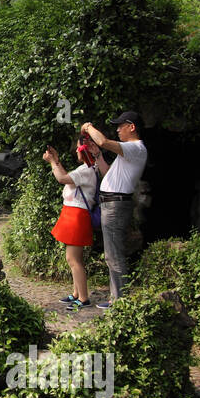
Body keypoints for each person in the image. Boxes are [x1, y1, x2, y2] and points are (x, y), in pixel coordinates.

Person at [81, 110, 148, 306]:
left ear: (132, 127)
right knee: (112, 252)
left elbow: (102, 141)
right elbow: (108, 173)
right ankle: (117, 298)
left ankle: (120, 302)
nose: (117, 129)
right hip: (112, 203)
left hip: (116, 205)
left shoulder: (136, 148)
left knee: (114, 253)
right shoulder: (129, 152)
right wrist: (98, 156)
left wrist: (88, 127)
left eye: (121, 125)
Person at [42, 139, 100, 311]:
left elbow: (62, 178)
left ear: (84, 151)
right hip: (72, 214)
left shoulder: (86, 170)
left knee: (73, 259)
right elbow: (68, 178)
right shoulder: (89, 169)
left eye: (77, 148)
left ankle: (83, 298)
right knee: (75, 258)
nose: (76, 151)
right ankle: (76, 293)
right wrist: (57, 161)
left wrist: (52, 162)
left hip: (76, 216)